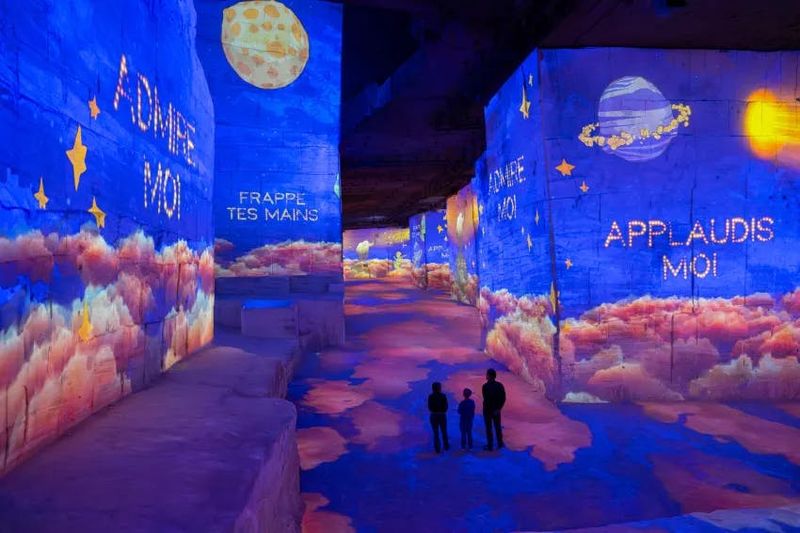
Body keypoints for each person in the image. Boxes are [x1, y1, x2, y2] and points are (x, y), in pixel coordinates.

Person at [482, 368, 506, 451]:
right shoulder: (499, 385)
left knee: (489, 428)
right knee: (497, 427)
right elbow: (503, 398)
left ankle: (490, 445)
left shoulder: (485, 386)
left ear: (489, 376)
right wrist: (498, 408)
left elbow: (486, 398)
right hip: (496, 410)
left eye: (487, 374)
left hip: (487, 410)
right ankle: (500, 443)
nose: (486, 376)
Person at [427, 382, 450, 453]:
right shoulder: (443, 396)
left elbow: (429, 407)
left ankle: (437, 448)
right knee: (444, 431)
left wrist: (434, 410)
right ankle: (446, 446)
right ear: (440, 388)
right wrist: (442, 411)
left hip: (434, 415)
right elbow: (446, 406)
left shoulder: (431, 396)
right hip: (442, 415)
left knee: (436, 432)